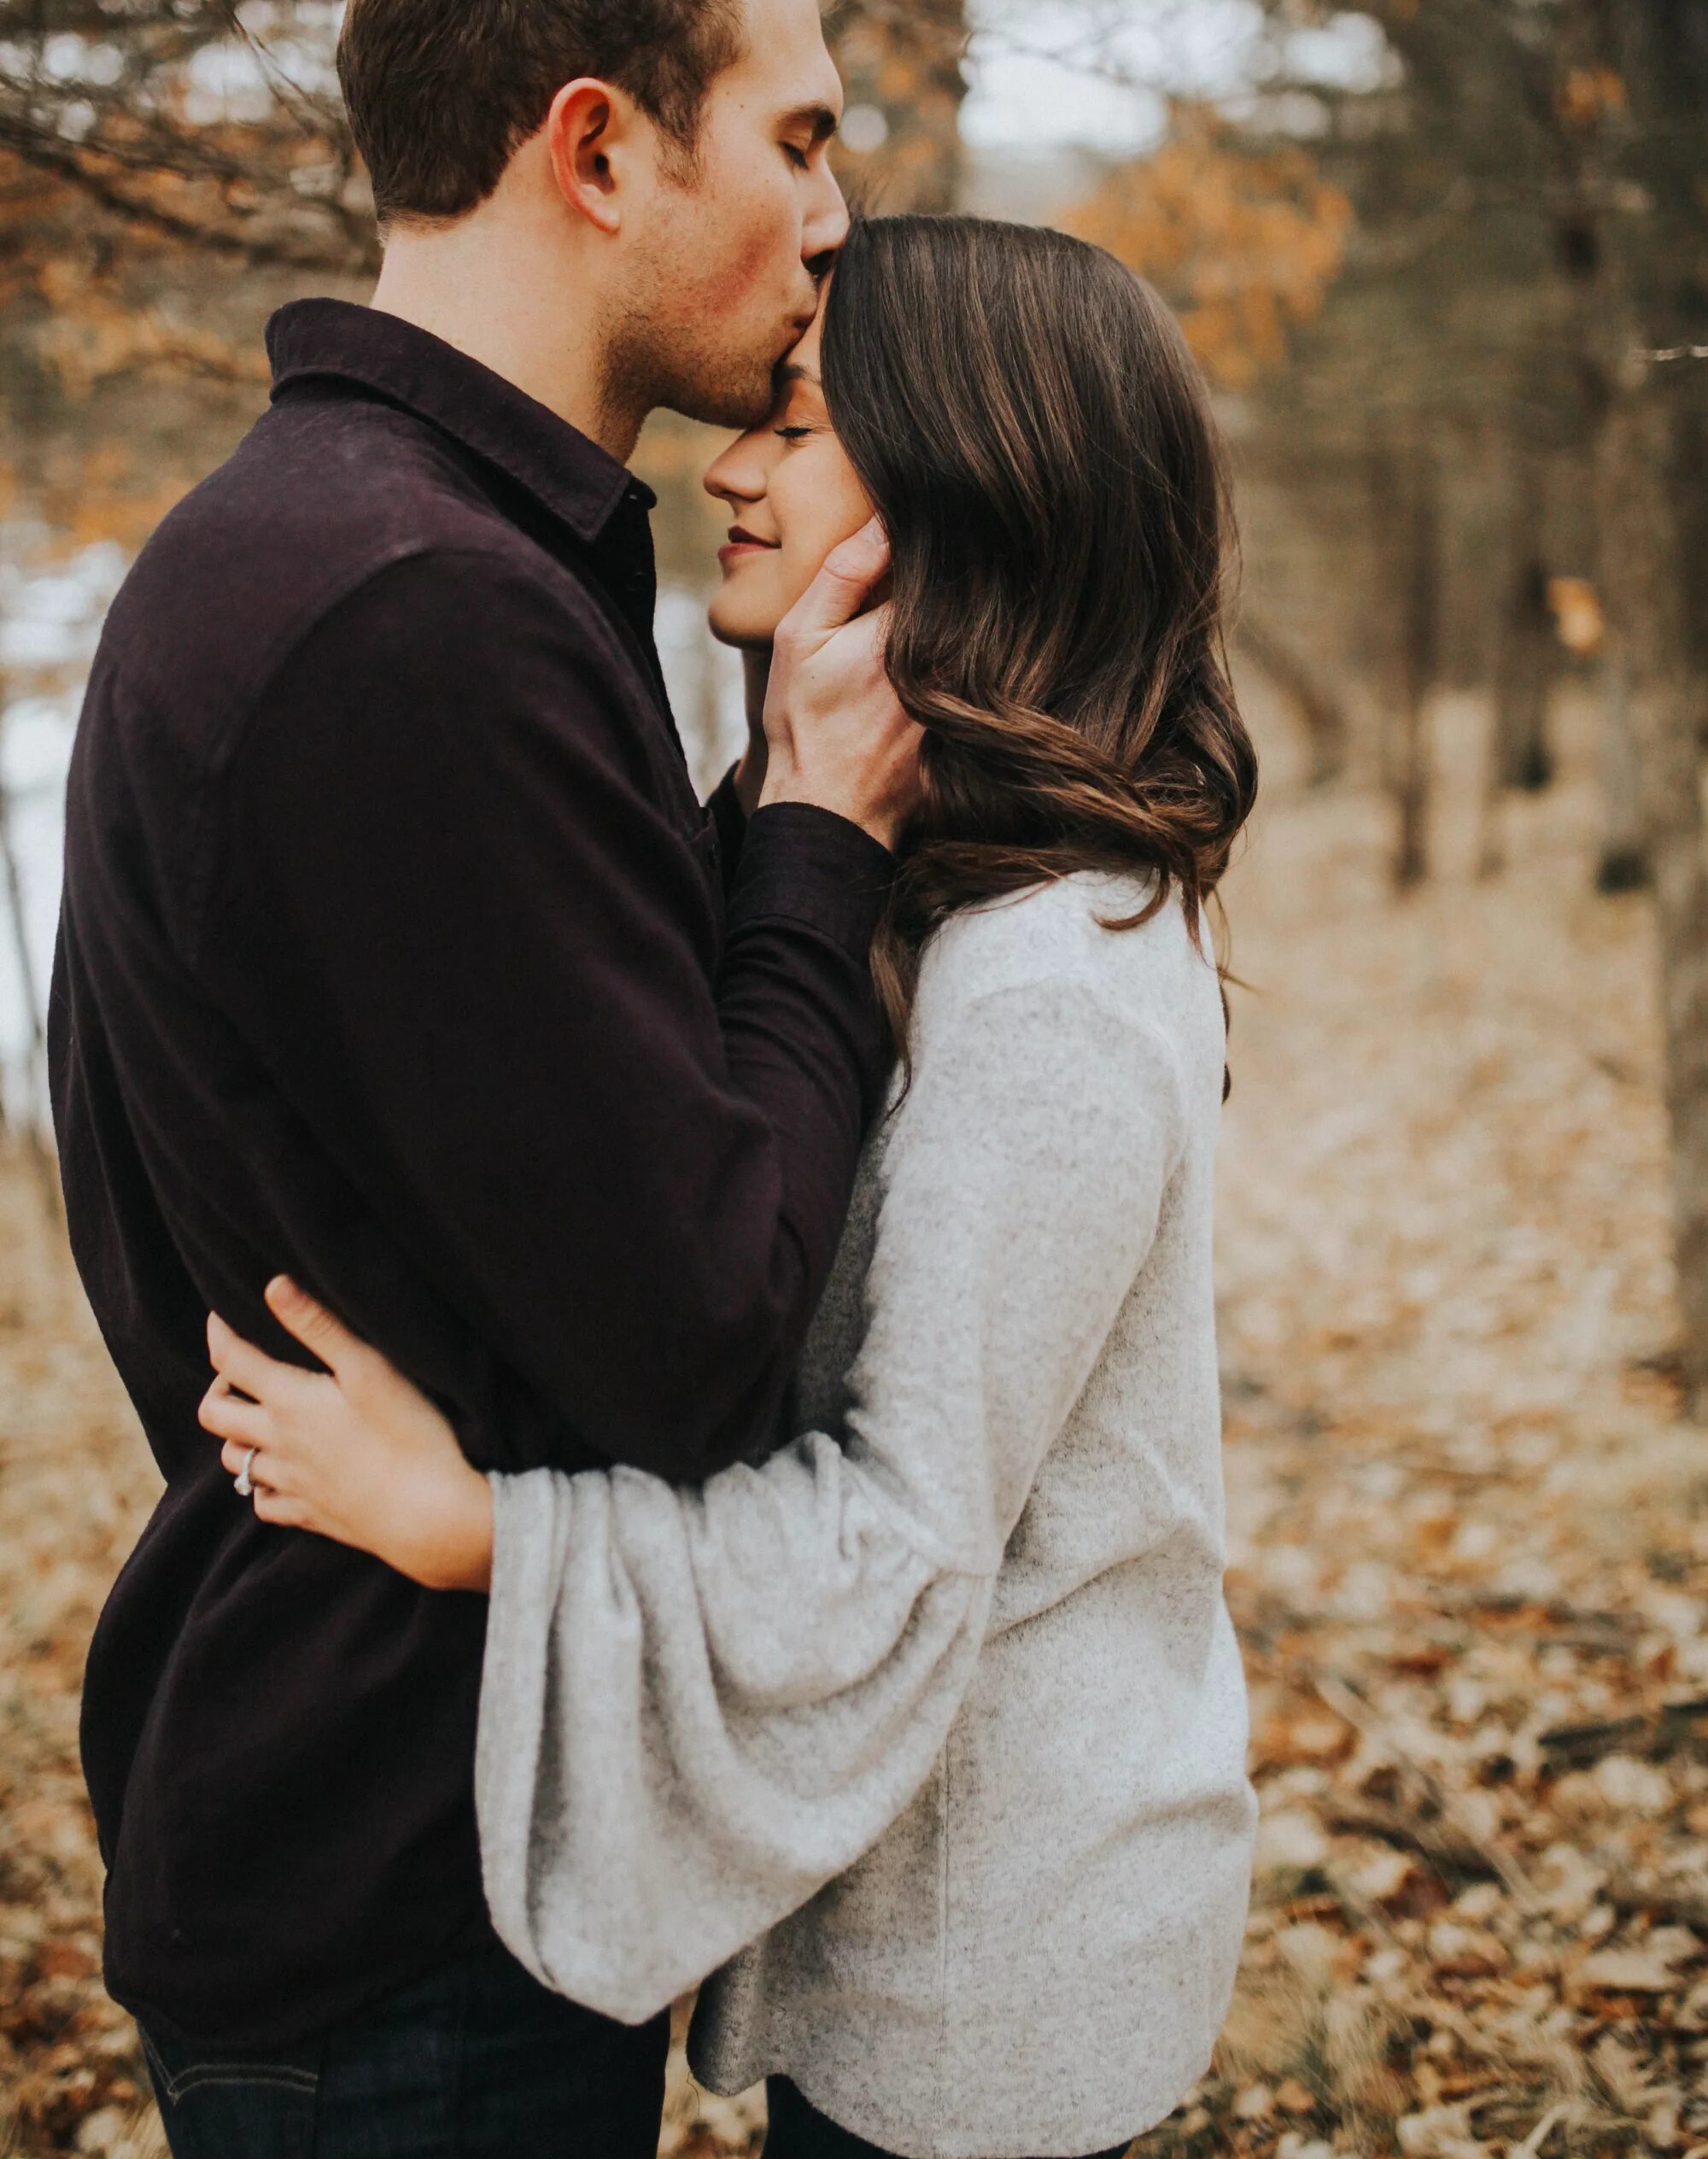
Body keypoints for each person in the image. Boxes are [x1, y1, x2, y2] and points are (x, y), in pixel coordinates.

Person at [202, 214, 1262, 2159]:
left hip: (987, 1991)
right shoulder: (923, 877)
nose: (729, 465)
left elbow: (900, 1545)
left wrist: (472, 1530)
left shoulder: (1048, 993)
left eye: (796, 419)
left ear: (976, 479)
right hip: (911, 1916)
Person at [50, 0, 921, 2159]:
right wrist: (821, 841)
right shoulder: (414, 617)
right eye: (803, 134)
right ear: (601, 145)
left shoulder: (355, 547)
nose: (839, 213)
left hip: (406, 1831)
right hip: (397, 1918)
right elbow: (705, 1321)